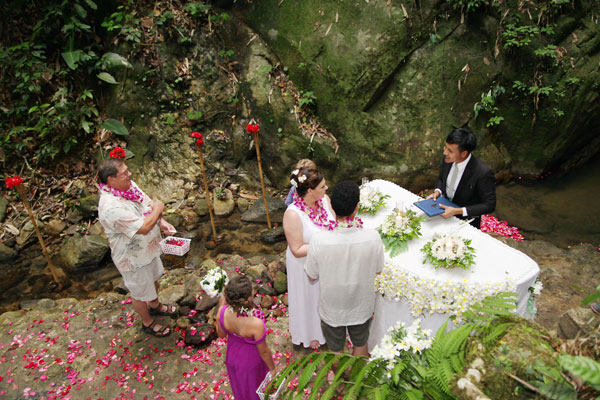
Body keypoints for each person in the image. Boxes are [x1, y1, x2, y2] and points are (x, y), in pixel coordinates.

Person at [97, 158, 177, 337]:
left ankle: (156, 306)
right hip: (132, 258)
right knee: (139, 290)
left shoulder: (127, 186)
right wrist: (159, 209)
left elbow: (146, 204)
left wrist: (162, 222)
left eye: (127, 170)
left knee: (154, 278)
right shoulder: (110, 207)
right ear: (111, 179)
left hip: (149, 249)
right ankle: (148, 322)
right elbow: (143, 227)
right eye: (124, 173)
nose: (129, 175)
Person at [305, 181, 384, 356]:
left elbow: (311, 275)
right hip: (361, 305)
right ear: (357, 207)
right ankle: (357, 380)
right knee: (361, 343)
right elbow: (378, 269)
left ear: (332, 207)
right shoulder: (372, 237)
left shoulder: (319, 240)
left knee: (335, 349)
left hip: (332, 307)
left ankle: (339, 381)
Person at [283, 167, 334, 349]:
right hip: (303, 265)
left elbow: (333, 224)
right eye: (322, 186)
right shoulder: (292, 214)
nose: (326, 188)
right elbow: (296, 248)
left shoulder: (325, 201)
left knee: (325, 297)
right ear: (310, 191)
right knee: (309, 299)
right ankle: (310, 334)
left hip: (325, 262)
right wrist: (325, 242)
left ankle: (329, 329)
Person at [216, 275, 277, 400]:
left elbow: (221, 334)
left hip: (232, 356)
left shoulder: (222, 312)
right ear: (248, 298)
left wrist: (220, 307)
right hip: (251, 360)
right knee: (254, 387)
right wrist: (272, 368)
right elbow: (264, 351)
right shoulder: (256, 324)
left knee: (240, 387)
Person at [427, 127, 496, 228]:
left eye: (450, 150)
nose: (445, 152)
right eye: (445, 147)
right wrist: (438, 191)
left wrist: (458, 211)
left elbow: (489, 205)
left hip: (466, 222)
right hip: (442, 211)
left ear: (464, 153)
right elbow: (441, 178)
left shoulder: (482, 172)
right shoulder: (448, 159)